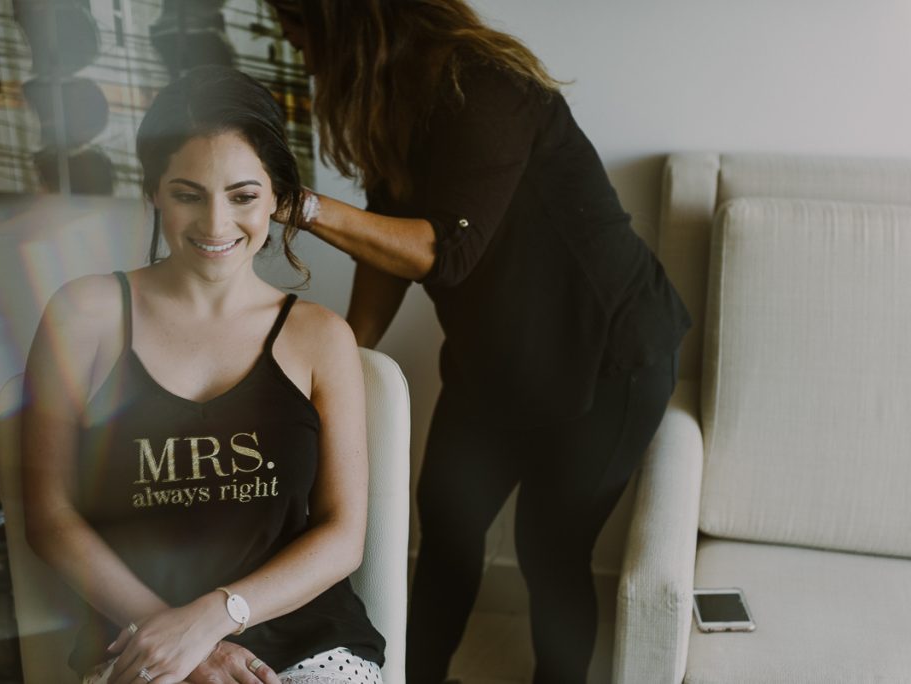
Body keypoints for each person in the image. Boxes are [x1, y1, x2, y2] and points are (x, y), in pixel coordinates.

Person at [266, 2, 692, 682]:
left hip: (609, 356)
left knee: (549, 552)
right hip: (496, 359)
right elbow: (388, 237)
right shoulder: (393, 100)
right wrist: (349, 359)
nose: (301, 54)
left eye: (300, 33)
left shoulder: (483, 83)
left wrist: (304, 206)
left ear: (347, 23)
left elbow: (445, 249)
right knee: (446, 532)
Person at [21, 65, 385, 684]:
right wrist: (176, 638)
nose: (216, 225)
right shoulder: (84, 316)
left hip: (307, 635)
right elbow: (50, 516)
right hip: (138, 637)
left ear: (278, 197)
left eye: (243, 195)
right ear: (155, 192)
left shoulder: (321, 337)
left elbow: (343, 535)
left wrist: (215, 617)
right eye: (188, 193)